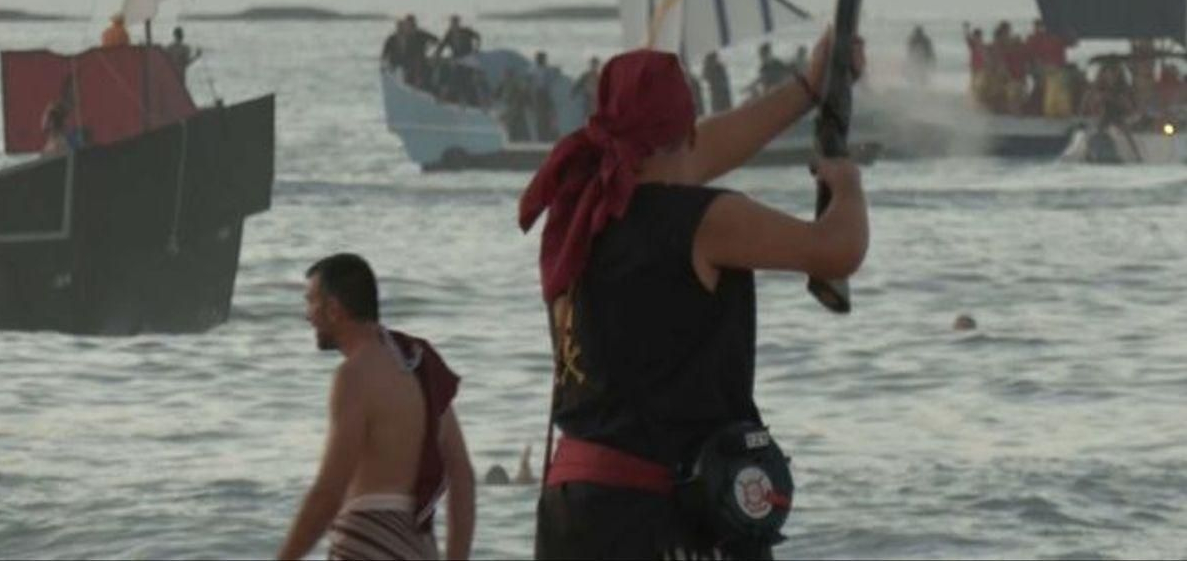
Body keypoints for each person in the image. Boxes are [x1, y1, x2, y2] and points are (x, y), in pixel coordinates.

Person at [520, 35, 868, 560]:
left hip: (575, 510)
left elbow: (700, 149)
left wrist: (807, 89)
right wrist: (847, 187)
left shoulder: (584, 209)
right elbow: (836, 251)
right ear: (685, 126)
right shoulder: (704, 222)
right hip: (658, 518)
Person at [278, 253, 474, 561]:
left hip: (366, 542)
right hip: (418, 546)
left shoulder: (353, 376)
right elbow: (462, 476)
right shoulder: (415, 364)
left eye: (311, 302)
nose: (308, 315)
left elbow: (328, 493)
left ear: (334, 309)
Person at [532, 52, 561, 142]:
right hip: (538, 94)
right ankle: (541, 136)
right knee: (540, 116)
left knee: (548, 115)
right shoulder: (534, 70)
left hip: (545, 93)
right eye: (542, 59)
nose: (544, 61)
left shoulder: (546, 70)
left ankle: (547, 135)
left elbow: (554, 75)